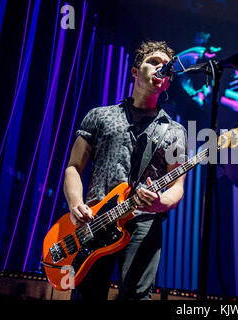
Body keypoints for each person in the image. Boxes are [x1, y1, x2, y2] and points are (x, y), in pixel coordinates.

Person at [64, 40, 187, 300]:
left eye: (166, 67)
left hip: (143, 222)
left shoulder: (175, 131)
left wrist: (159, 203)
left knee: (137, 296)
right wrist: (75, 203)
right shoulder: (100, 116)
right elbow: (74, 166)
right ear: (135, 71)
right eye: (153, 62)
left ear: (167, 82)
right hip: (95, 219)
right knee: (87, 294)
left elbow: (178, 186)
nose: (161, 68)